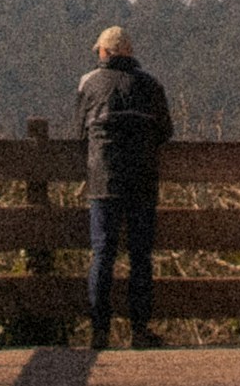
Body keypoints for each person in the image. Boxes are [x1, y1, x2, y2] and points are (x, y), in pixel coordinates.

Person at [74, 23, 173, 347]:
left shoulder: (89, 83)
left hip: (103, 181)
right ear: (130, 53)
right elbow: (165, 131)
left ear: (103, 52)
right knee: (140, 256)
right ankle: (139, 331)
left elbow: (79, 133)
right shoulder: (151, 85)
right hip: (142, 180)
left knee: (103, 254)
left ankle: (99, 332)